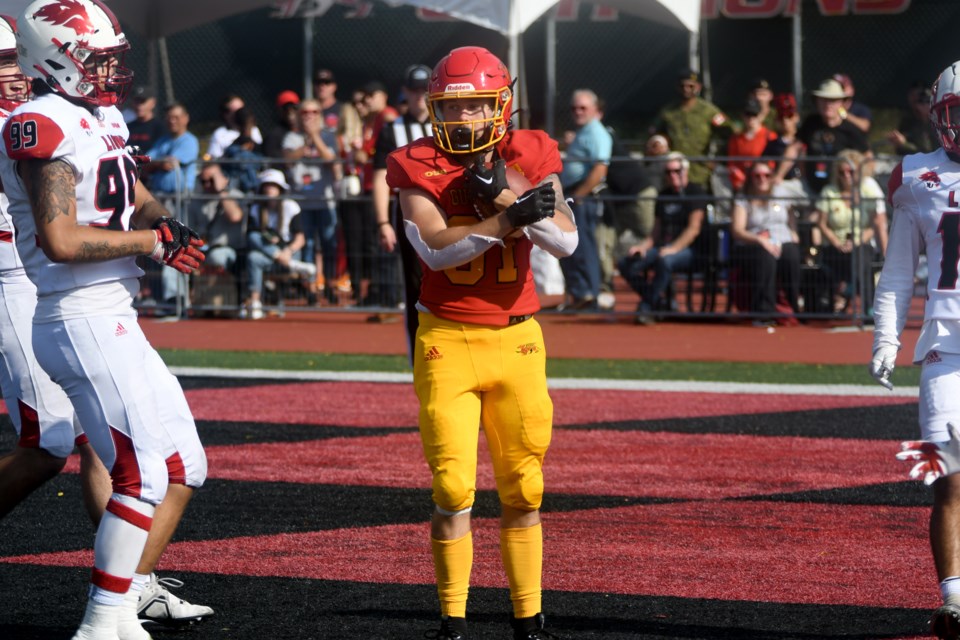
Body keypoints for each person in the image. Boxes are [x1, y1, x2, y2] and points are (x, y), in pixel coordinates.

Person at [0, 2, 212, 638]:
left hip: (114, 311)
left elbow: (126, 185)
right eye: (98, 58)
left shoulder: (99, 114)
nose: (111, 71)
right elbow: (62, 239)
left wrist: (160, 219)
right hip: (77, 310)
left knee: (185, 464)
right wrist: (150, 245)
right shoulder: (40, 122)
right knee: (137, 469)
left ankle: (123, 601)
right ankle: (106, 618)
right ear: (55, 56)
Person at [386, 46, 576, 640]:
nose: (464, 119)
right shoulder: (416, 163)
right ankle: (453, 618)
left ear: (500, 106)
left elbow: (565, 243)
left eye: (474, 106)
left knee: (525, 485)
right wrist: (506, 217)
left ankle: (529, 614)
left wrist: (505, 197)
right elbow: (436, 250)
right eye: (452, 106)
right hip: (447, 336)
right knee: (452, 486)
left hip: (518, 338)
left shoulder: (530, 152)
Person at [870, 59, 960, 640]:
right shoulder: (916, 177)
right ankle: (954, 602)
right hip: (945, 351)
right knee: (948, 478)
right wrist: (885, 336)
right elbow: (898, 273)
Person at [372, 63, 432, 342]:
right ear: (405, 92)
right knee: (415, 284)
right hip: (408, 213)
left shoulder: (446, 124)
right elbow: (380, 177)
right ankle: (417, 353)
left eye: (424, 89)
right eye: (415, 89)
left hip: (448, 208)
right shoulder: (391, 130)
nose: (420, 96)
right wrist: (383, 222)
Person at [617, 152, 709, 325]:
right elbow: (655, 232)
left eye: (677, 171)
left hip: (690, 251)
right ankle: (657, 301)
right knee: (626, 264)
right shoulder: (663, 195)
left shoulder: (696, 192)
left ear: (686, 170)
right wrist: (642, 247)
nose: (673, 175)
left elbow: (693, 229)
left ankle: (646, 307)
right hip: (663, 249)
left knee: (665, 261)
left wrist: (673, 249)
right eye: (668, 172)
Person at [815, 149, 888, 317]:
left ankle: (868, 308)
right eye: (842, 172)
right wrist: (836, 242)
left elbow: (874, 224)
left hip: (860, 243)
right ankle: (849, 289)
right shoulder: (829, 191)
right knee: (844, 261)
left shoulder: (867, 190)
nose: (846, 175)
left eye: (850, 171)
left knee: (862, 260)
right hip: (835, 245)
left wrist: (856, 241)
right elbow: (821, 223)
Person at [558, 88, 611, 310]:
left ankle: (590, 295)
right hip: (573, 194)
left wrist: (579, 195)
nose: (578, 112)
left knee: (583, 247)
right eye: (574, 108)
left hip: (582, 197)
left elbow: (601, 167)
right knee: (569, 247)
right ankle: (580, 294)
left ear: (595, 110)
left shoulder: (596, 132)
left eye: (583, 108)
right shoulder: (584, 131)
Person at [283, 98, 338, 305]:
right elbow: (288, 159)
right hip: (301, 203)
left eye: (314, 112)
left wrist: (315, 137)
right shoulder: (291, 137)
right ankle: (311, 288)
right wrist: (305, 143)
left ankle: (331, 285)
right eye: (305, 113)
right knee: (307, 246)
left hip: (325, 202)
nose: (309, 116)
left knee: (329, 244)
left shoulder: (329, 137)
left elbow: (331, 159)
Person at [729, 163, 801, 322]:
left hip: (782, 239)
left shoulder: (780, 193)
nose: (762, 179)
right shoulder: (743, 199)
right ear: (751, 178)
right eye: (757, 175)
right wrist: (760, 240)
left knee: (792, 255)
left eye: (766, 175)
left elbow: (791, 217)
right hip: (753, 244)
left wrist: (794, 233)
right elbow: (738, 230)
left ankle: (793, 307)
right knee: (765, 257)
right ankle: (764, 311)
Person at [241, 169, 316, 319]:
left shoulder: (290, 206)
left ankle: (290, 264)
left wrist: (287, 252)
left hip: (289, 253)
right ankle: (255, 302)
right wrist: (276, 253)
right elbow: (253, 237)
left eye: (273, 185)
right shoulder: (256, 209)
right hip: (270, 254)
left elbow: (300, 239)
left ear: (280, 189)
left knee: (256, 250)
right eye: (266, 185)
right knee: (253, 249)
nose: (269, 189)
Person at [650, 68, 732, 189]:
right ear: (677, 87)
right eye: (682, 86)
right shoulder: (668, 112)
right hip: (673, 173)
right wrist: (659, 144)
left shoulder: (709, 111)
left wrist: (718, 161)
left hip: (700, 172)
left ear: (698, 87)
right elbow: (653, 135)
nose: (686, 89)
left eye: (691, 86)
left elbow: (729, 134)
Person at [798, 77, 870, 195]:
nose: (828, 104)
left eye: (833, 100)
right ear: (817, 101)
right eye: (823, 100)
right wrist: (778, 176)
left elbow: (868, 158)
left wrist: (856, 186)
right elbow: (795, 148)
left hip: (839, 192)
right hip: (809, 187)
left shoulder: (850, 129)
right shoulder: (810, 122)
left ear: (842, 103)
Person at [726, 97, 777, 193]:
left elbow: (773, 163)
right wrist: (740, 180)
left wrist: (762, 178)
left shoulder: (770, 136)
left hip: (764, 182)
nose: (751, 118)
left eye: (754, 114)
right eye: (748, 114)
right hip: (742, 184)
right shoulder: (735, 139)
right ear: (743, 116)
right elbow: (732, 164)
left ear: (760, 115)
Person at [886, 81, 937, 156]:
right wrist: (897, 142)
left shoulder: (938, 123)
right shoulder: (907, 121)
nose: (923, 105)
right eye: (920, 101)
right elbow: (900, 152)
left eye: (927, 101)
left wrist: (904, 144)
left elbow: (929, 154)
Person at [205, 93, 262, 160]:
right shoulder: (220, 134)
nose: (242, 113)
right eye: (237, 111)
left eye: (243, 109)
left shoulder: (254, 130)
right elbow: (213, 158)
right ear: (226, 114)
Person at [125, 85, 164, 153]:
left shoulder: (160, 127)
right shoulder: (127, 127)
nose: (139, 106)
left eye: (143, 101)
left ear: (153, 103)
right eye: (136, 101)